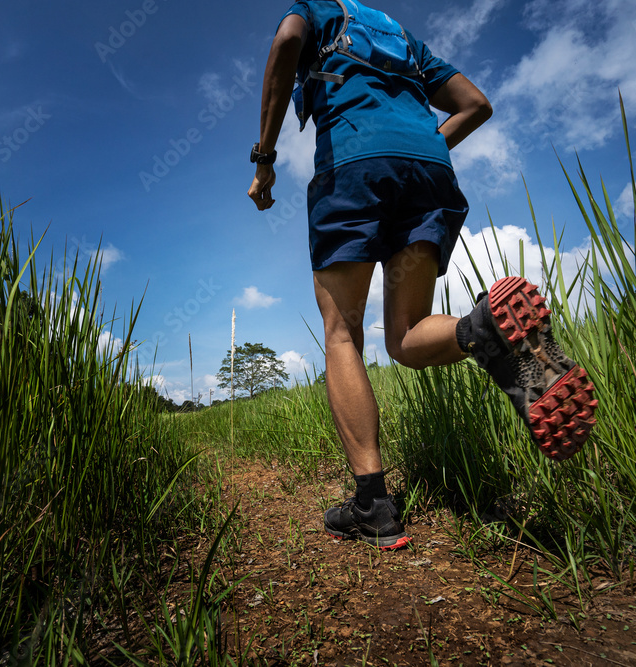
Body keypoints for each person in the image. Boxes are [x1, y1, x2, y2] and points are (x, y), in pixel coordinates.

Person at [247, 0, 597, 550]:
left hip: (354, 173)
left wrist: (264, 157)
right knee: (406, 338)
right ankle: (481, 329)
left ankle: (373, 504)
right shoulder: (400, 36)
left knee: (342, 333)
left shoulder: (315, 10)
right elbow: (475, 104)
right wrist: (427, 145)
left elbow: (287, 41)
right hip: (428, 176)